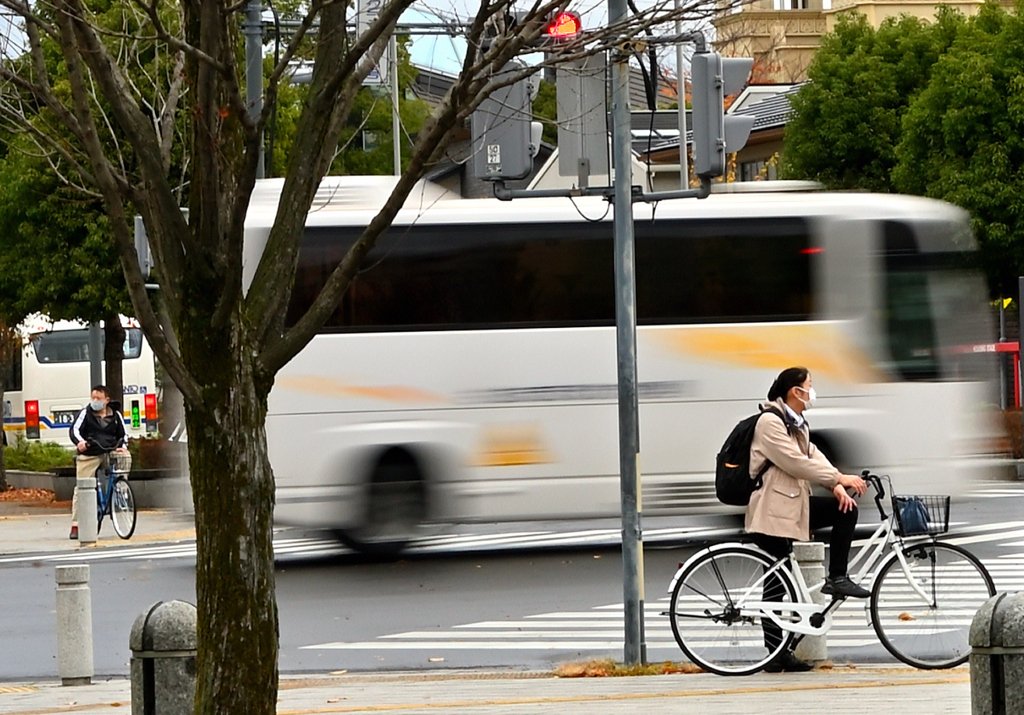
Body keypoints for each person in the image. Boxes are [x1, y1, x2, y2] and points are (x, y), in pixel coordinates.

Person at [746, 366, 868, 672]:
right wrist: (840, 477)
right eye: (809, 386)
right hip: (772, 510)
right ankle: (776, 655)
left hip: (789, 506)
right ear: (794, 392)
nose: (812, 392)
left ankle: (837, 577)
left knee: (846, 508)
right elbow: (796, 463)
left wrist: (836, 485)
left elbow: (813, 455)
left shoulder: (796, 422)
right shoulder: (770, 423)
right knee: (776, 582)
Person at [68, 385, 128, 540]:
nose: (95, 401)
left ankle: (122, 487)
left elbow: (123, 434)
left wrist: (123, 447)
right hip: (90, 453)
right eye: (93, 397)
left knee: (125, 458)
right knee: (81, 486)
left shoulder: (116, 416)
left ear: (106, 400)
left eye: (98, 398)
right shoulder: (85, 414)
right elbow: (74, 430)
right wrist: (80, 442)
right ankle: (76, 524)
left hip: (109, 450)